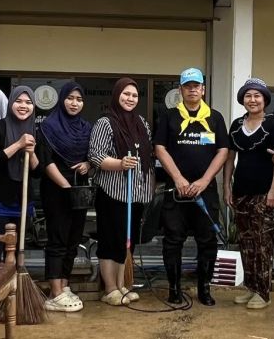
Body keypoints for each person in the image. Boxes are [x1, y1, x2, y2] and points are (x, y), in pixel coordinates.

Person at [153, 68, 230, 306]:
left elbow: (223, 151)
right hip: (176, 191)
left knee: (207, 240)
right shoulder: (169, 116)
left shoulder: (215, 117)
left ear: (203, 89)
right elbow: (159, 148)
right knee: (172, 240)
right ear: (181, 90)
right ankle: (174, 289)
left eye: (196, 86)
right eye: (188, 86)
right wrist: (178, 178)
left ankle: (204, 289)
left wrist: (205, 180)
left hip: (205, 191)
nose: (192, 90)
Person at [89, 78, 156, 306]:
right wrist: (119, 164)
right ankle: (110, 289)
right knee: (111, 241)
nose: (130, 98)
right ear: (117, 95)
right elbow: (96, 156)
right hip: (112, 193)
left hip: (136, 194)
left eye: (134, 95)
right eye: (126, 94)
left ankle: (123, 285)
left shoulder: (141, 123)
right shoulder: (105, 123)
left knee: (127, 242)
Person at [222, 78, 274, 310]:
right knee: (246, 242)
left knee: (263, 243)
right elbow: (230, 158)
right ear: (242, 100)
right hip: (241, 191)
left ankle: (263, 292)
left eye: (257, 96)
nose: (253, 100)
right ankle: (250, 287)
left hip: (264, 192)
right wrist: (227, 186)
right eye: (248, 96)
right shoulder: (236, 125)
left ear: (265, 99)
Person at [37, 82, 92, 313]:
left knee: (73, 239)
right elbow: (46, 161)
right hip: (56, 190)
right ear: (62, 100)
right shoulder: (48, 127)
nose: (74, 103)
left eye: (79, 99)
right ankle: (54, 292)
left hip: (79, 190)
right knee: (58, 240)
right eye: (70, 98)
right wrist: (65, 186)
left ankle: (64, 285)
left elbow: (92, 156)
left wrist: (88, 164)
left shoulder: (86, 128)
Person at [0, 86, 38, 238]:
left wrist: (31, 154)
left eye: (28, 102)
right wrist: (18, 145)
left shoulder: (36, 132)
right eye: (18, 101)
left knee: (17, 248)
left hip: (22, 202)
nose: (23, 106)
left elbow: (38, 173)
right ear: (10, 103)